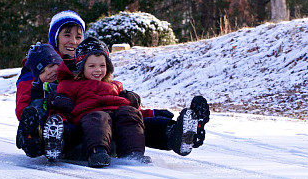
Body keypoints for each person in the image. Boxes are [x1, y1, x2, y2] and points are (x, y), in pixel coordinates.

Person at [50, 37, 209, 168]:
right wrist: (58, 123)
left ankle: (173, 135)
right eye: (91, 66)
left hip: (118, 121)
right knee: (99, 118)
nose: (97, 70)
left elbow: (134, 108)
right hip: (90, 120)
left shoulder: (115, 86)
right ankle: (97, 152)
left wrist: (153, 113)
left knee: (131, 114)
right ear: (81, 67)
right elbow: (61, 109)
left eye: (102, 65)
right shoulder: (71, 85)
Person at [15, 10, 86, 158]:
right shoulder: (39, 61)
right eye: (67, 35)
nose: (73, 41)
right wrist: (39, 81)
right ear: (55, 38)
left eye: (78, 37)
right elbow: (24, 103)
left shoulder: (89, 63)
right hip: (50, 118)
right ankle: (35, 137)